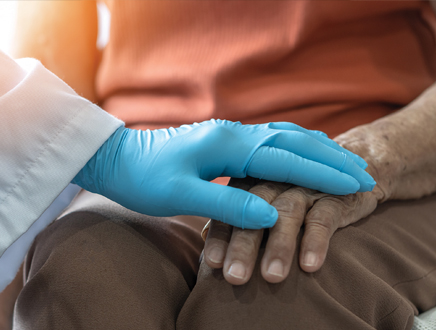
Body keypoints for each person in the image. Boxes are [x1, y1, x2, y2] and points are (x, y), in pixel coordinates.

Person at [7, 1, 436, 329]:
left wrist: (372, 156)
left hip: (371, 149)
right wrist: (100, 154)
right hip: (146, 156)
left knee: (276, 292)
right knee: (82, 275)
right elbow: (51, 48)